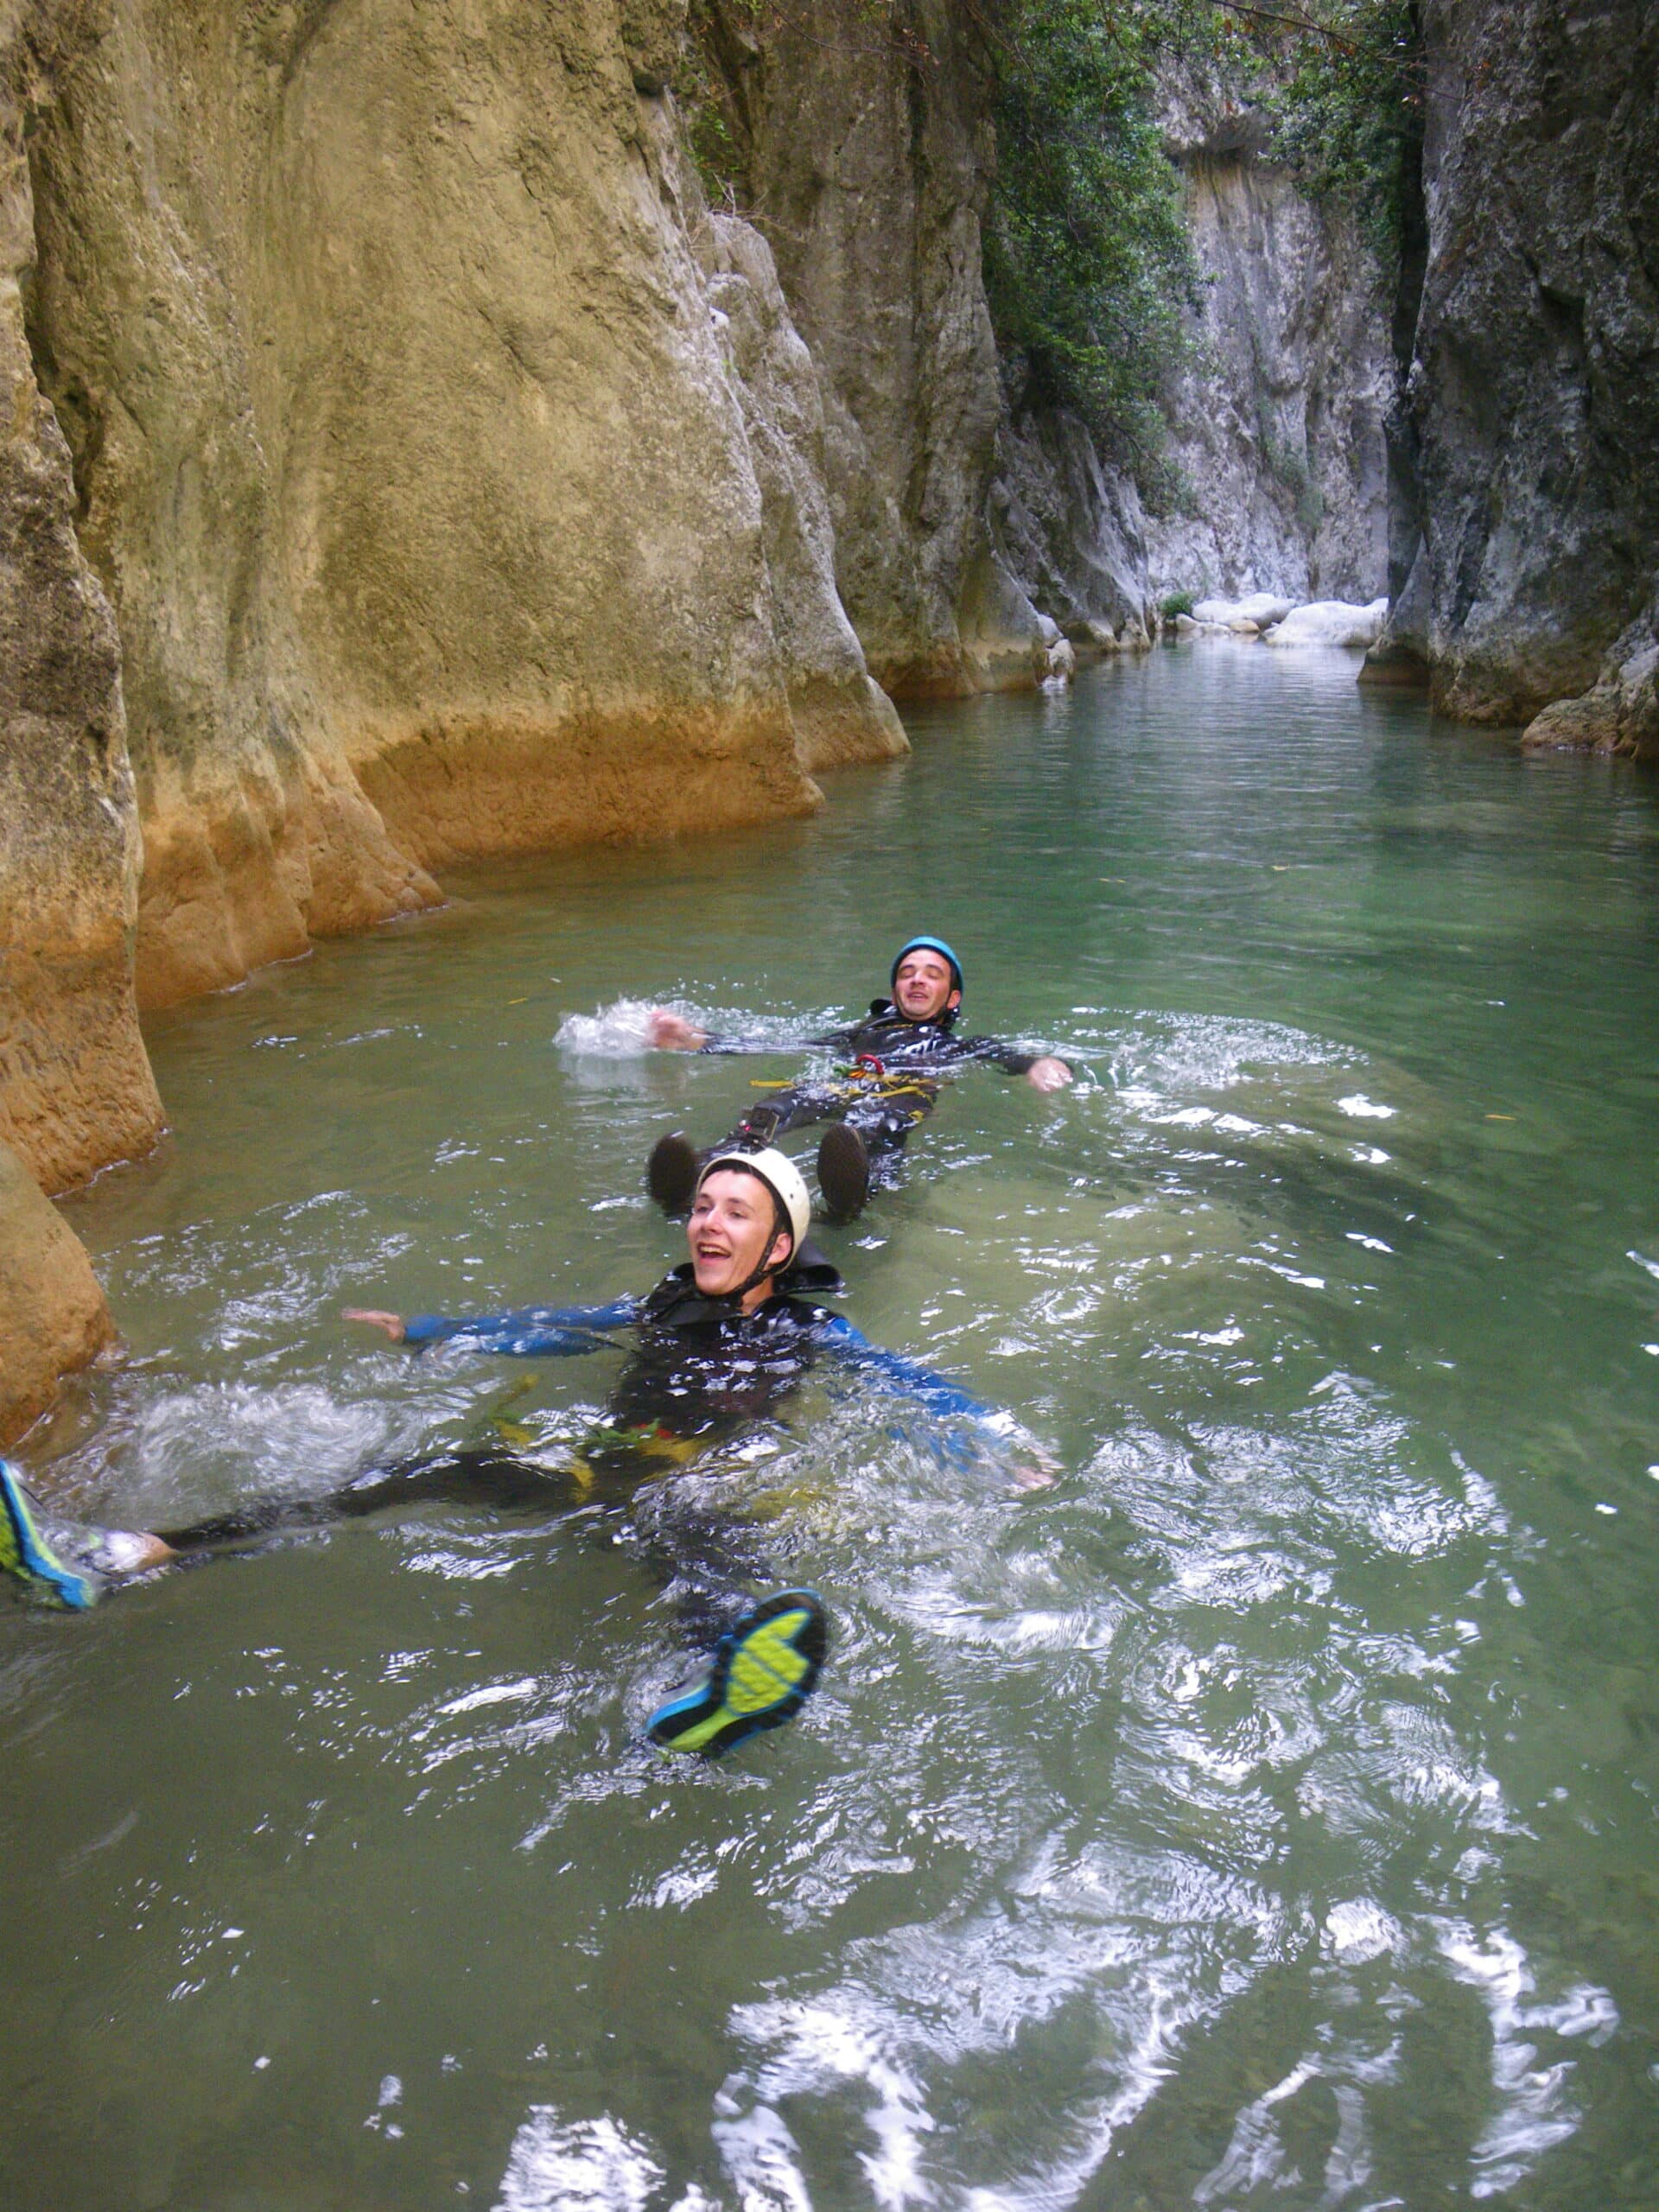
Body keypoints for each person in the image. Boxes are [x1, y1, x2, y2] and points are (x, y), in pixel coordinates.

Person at [0, 1151, 1044, 1759]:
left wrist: (991, 1437)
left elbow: (912, 1384)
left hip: (712, 1474)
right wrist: (433, 1327)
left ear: (780, 1249)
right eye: (703, 1205)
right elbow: (554, 1325)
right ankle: (135, 1555)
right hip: (601, 1459)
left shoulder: (810, 1331)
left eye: (737, 1211)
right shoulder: (656, 1305)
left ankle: (718, 1682)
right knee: (402, 1477)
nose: (707, 1221)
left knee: (688, 1526)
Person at [645, 936, 1074, 1221]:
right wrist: (696, 1040)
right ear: (895, 993)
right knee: (775, 1108)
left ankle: (849, 1198)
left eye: (932, 973)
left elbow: (1005, 1056)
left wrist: (1036, 1064)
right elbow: (788, 1045)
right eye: (907, 973)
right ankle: (697, 1178)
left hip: (905, 1092)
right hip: (845, 1079)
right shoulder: (860, 1034)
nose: (917, 979)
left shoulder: (957, 1045)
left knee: (879, 1126)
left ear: (952, 997)